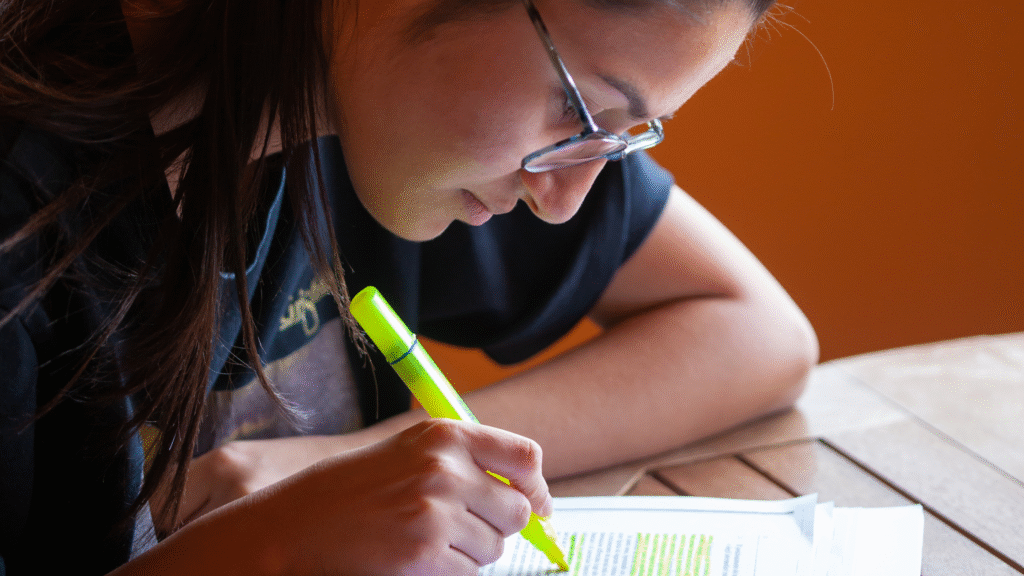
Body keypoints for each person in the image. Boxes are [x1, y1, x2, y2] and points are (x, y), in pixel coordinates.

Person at [0, 0, 818, 574]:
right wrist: (274, 548)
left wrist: (330, 468)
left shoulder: (372, 108)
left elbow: (759, 333)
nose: (565, 201)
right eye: (582, 112)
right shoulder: (24, 207)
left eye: (616, 142)